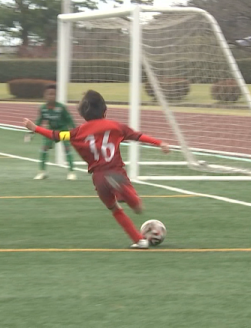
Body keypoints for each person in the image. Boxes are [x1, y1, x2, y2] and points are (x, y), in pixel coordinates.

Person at [23, 90, 170, 249]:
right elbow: (137, 136)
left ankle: (139, 240)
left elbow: (55, 135)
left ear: (83, 115)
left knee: (114, 209)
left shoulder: (76, 132)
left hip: (98, 177)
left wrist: (35, 128)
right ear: (105, 111)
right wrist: (159, 143)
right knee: (138, 208)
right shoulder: (115, 126)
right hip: (114, 171)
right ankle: (124, 194)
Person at [26, 84, 77, 180]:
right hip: (51, 131)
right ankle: (42, 172)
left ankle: (71, 172)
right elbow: (39, 121)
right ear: (45, 95)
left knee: (67, 148)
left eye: (53, 94)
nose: (51, 96)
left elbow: (70, 119)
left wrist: (76, 131)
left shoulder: (61, 107)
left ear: (56, 95)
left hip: (63, 130)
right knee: (44, 148)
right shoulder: (43, 108)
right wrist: (32, 132)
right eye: (49, 94)